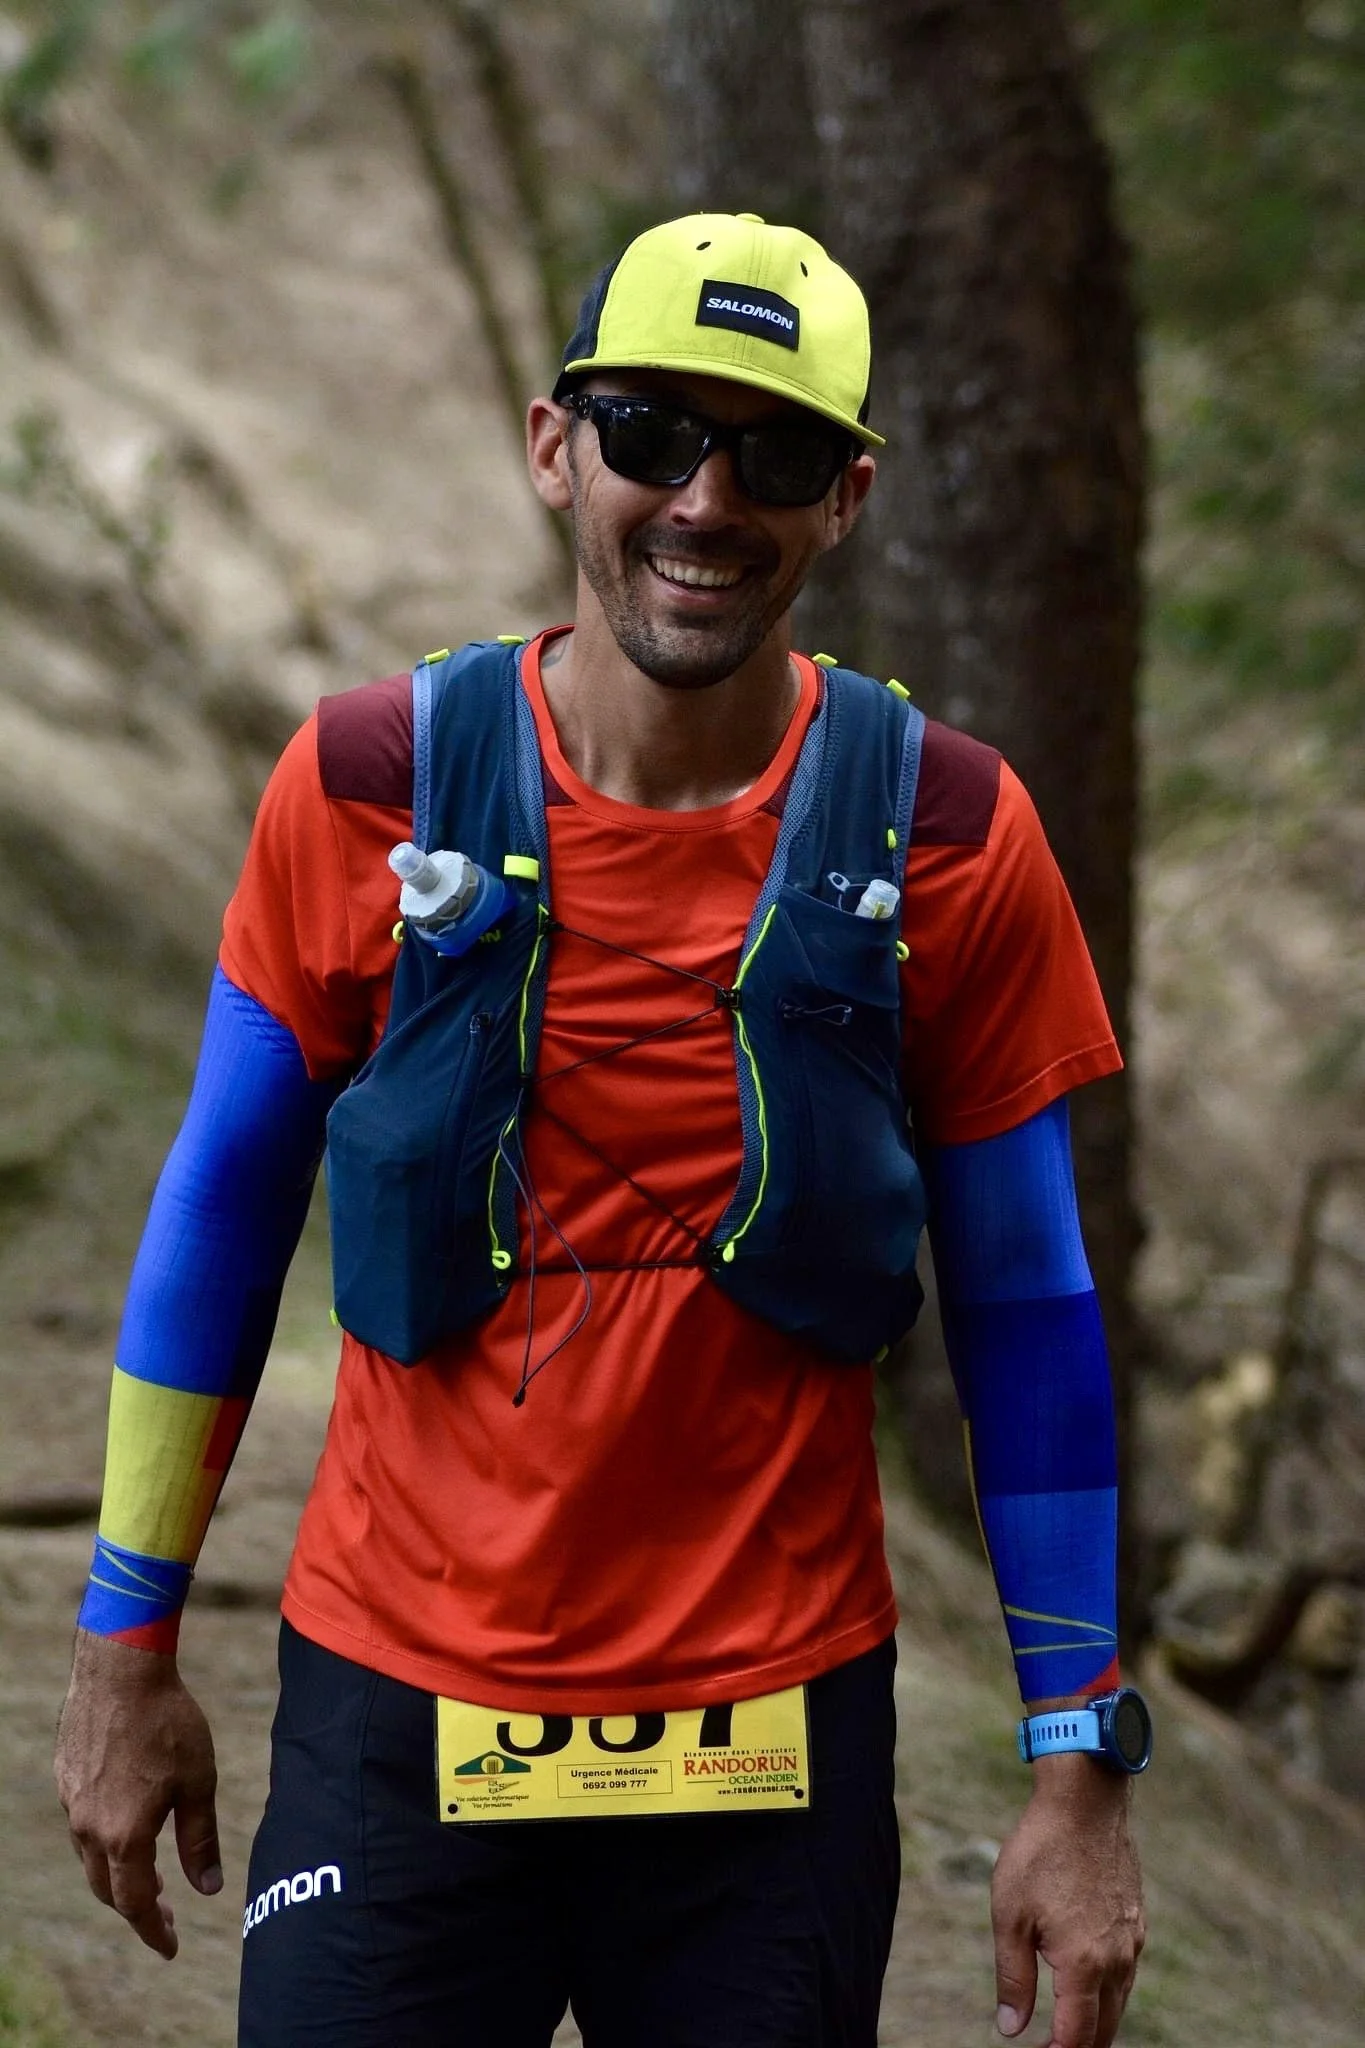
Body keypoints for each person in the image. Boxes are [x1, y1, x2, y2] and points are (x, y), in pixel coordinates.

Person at [55, 211, 1146, 2048]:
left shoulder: (951, 832)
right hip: (396, 1698)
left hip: (773, 1742)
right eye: (652, 432)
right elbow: (226, 1209)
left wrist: (1076, 1765)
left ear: (849, 497)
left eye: (775, 453)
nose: (708, 499)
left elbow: (1026, 1308)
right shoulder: (364, 787)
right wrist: (121, 1642)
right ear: (555, 444)